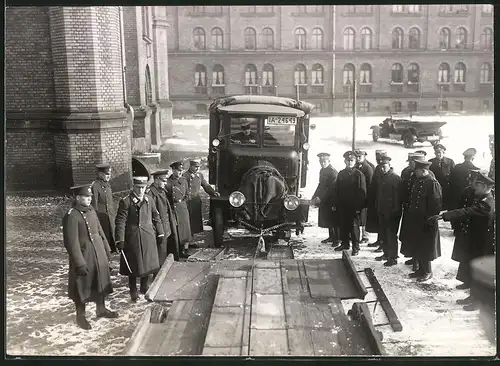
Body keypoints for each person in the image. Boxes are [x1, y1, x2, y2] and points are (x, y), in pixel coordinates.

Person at [434, 171, 495, 311]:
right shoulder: (481, 198)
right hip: (475, 242)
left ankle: (478, 301)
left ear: (485, 187)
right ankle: (473, 296)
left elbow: (467, 211)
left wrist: (445, 216)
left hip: (482, 245)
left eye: (477, 186)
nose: (474, 188)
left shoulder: (487, 203)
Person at [62, 183, 117, 330]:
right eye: (85, 197)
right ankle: (80, 316)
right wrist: (79, 262)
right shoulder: (72, 216)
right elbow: (71, 242)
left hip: (98, 252)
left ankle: (101, 309)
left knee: (99, 281)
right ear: (78, 198)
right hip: (84, 255)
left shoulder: (92, 210)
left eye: (90, 197)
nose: (89, 199)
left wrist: (107, 250)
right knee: (82, 286)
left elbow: (100, 232)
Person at [115, 176, 165, 302]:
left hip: (148, 236)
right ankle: (133, 290)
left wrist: (160, 232)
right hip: (133, 237)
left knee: (147, 263)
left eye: (143, 188)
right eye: (138, 187)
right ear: (133, 187)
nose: (140, 190)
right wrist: (119, 240)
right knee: (133, 264)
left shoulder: (149, 200)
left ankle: (144, 286)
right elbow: (120, 222)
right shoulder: (126, 202)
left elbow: (156, 217)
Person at [404, 159, 442, 282]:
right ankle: (420, 269)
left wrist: (430, 219)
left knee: (426, 247)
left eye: (417, 170)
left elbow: (436, 204)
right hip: (416, 220)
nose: (415, 172)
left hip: (427, 221)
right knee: (417, 245)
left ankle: (427, 271)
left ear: (424, 170)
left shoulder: (433, 183)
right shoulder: (419, 181)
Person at [332, 151, 367, 256]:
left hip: (354, 207)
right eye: (348, 160)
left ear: (355, 161)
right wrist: (335, 203)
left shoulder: (359, 175)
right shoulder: (341, 173)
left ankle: (356, 247)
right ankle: (345, 243)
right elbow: (337, 190)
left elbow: (362, 192)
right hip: (343, 205)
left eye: (352, 160)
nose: (349, 162)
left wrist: (359, 207)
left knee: (354, 227)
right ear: (345, 161)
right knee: (343, 225)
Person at [146, 170, 181, 265]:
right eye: (164, 181)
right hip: (159, 231)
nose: (166, 183)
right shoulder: (150, 194)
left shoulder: (161, 190)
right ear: (156, 180)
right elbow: (150, 215)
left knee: (167, 254)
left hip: (167, 228)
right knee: (160, 257)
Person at [400, 152, 425, 270]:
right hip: (408, 208)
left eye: (412, 162)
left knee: (417, 236)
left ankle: (418, 261)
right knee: (408, 234)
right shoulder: (406, 172)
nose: (409, 164)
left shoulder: (424, 176)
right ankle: (412, 256)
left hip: (417, 210)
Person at [374, 156, 402, 266]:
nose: (382, 168)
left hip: (392, 213)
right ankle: (386, 254)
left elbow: (398, 198)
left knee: (391, 236)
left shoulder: (396, 178)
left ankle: (393, 257)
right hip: (382, 211)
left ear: (389, 165)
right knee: (384, 234)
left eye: (384, 166)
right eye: (380, 166)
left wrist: (394, 212)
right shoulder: (382, 177)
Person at [182, 159, 220, 240]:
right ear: (191, 166)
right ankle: (187, 240)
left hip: (196, 201)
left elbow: (206, 185)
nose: (197, 169)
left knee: (194, 221)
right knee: (187, 221)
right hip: (187, 201)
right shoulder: (185, 175)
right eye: (195, 167)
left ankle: (191, 239)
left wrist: (213, 192)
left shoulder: (200, 175)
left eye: (198, 167)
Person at [311, 152, 339, 244]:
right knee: (327, 218)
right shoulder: (322, 171)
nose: (322, 163)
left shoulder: (333, 172)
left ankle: (336, 239)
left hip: (332, 199)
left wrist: (321, 198)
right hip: (325, 199)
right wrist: (315, 195)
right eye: (321, 162)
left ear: (329, 161)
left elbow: (330, 189)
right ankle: (331, 237)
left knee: (333, 219)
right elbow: (321, 185)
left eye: (324, 162)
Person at [166, 161, 192, 257]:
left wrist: (182, 201)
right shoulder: (168, 182)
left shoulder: (184, 180)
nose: (180, 172)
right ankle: (176, 250)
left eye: (181, 170)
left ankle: (184, 249)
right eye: (178, 170)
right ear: (173, 170)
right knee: (176, 230)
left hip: (183, 208)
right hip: (173, 209)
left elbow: (187, 194)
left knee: (185, 230)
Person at [91, 164, 117, 253]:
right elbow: (94, 203)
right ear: (100, 174)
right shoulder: (95, 185)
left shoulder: (107, 184)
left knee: (111, 231)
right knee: (104, 233)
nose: (109, 176)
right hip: (101, 215)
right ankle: (105, 250)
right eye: (106, 174)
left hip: (109, 214)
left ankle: (113, 248)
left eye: (109, 174)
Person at [366, 150, 387, 250]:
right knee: (378, 222)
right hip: (376, 198)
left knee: (382, 223)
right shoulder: (377, 168)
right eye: (377, 157)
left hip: (382, 200)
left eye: (381, 157)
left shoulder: (383, 169)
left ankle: (382, 243)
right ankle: (379, 240)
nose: (379, 159)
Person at [354, 149, 374, 244]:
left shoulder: (367, 168)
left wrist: (367, 198)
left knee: (364, 217)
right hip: (356, 196)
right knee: (357, 217)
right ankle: (355, 235)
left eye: (360, 157)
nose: (358, 158)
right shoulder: (355, 166)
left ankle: (365, 236)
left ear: (364, 157)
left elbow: (370, 184)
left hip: (365, 196)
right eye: (356, 157)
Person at [429, 144, 455, 210]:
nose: (437, 154)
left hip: (447, 187)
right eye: (436, 152)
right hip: (435, 187)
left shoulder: (450, 162)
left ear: (443, 152)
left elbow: (454, 174)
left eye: (439, 152)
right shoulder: (431, 162)